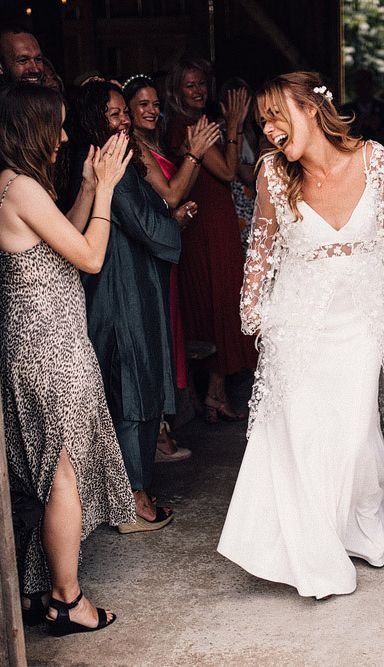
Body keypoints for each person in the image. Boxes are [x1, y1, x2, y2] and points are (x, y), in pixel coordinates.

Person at [217, 71, 384, 599]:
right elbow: (263, 247)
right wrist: (252, 313)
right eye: (263, 122)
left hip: (360, 316)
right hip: (297, 318)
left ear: (311, 110)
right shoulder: (273, 173)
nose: (270, 130)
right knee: (299, 426)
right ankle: (311, 549)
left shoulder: (373, 159)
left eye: (277, 116)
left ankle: (357, 524)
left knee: (350, 425)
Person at [0, 83, 134, 633]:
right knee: (62, 476)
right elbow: (91, 256)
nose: (61, 136)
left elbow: (64, 231)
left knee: (54, 474)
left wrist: (83, 185)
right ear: (29, 127)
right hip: (48, 346)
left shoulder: (16, 186)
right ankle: (67, 599)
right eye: (54, 126)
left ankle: (41, 589)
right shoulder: (20, 188)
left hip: (40, 343)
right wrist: (105, 192)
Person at [68, 80, 181, 532]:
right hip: (120, 287)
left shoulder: (110, 158)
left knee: (127, 382)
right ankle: (133, 502)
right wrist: (174, 226)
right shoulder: (106, 163)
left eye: (124, 113)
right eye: (114, 114)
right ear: (95, 119)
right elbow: (149, 226)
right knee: (132, 384)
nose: (125, 120)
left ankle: (129, 492)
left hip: (122, 281)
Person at [123, 73, 220, 462]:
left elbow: (174, 197)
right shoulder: (135, 148)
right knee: (158, 334)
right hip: (148, 251)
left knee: (169, 333)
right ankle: (158, 435)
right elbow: (172, 191)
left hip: (165, 246)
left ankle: (162, 429)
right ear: (126, 112)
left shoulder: (152, 143)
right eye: (142, 105)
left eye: (155, 104)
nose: (152, 110)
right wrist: (194, 153)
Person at [165, 58, 257, 422]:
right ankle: (213, 394)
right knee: (217, 302)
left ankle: (215, 394)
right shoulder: (186, 126)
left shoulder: (197, 123)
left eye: (202, 83)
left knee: (223, 301)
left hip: (215, 221)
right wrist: (233, 125)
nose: (199, 90)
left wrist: (228, 129)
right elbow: (228, 170)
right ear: (176, 91)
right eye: (190, 85)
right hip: (205, 224)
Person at [219, 77, 261, 252]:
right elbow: (235, 169)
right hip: (235, 205)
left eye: (244, 101)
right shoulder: (217, 132)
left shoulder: (255, 131)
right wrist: (235, 126)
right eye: (236, 102)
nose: (240, 107)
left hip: (253, 203)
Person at [341, 69, 384, 149]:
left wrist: (376, 127)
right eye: (359, 84)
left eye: (366, 84)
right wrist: (358, 124)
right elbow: (342, 139)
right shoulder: (346, 110)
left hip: (378, 156)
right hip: (354, 155)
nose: (363, 88)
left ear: (372, 85)